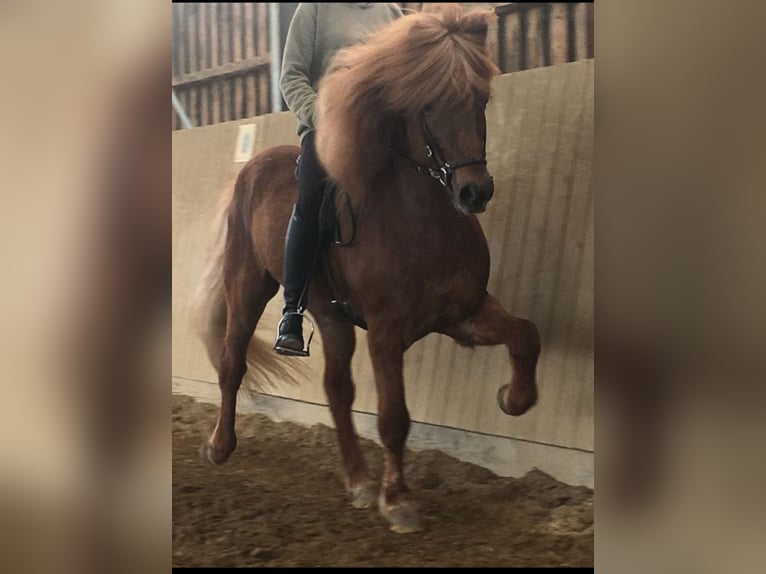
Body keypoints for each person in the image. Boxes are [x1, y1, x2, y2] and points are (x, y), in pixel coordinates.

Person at [274, 3, 403, 356]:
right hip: (328, 132)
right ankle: (293, 312)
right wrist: (327, 119)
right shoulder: (314, 9)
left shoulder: (391, 12)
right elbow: (292, 75)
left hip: (384, 134)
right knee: (311, 202)